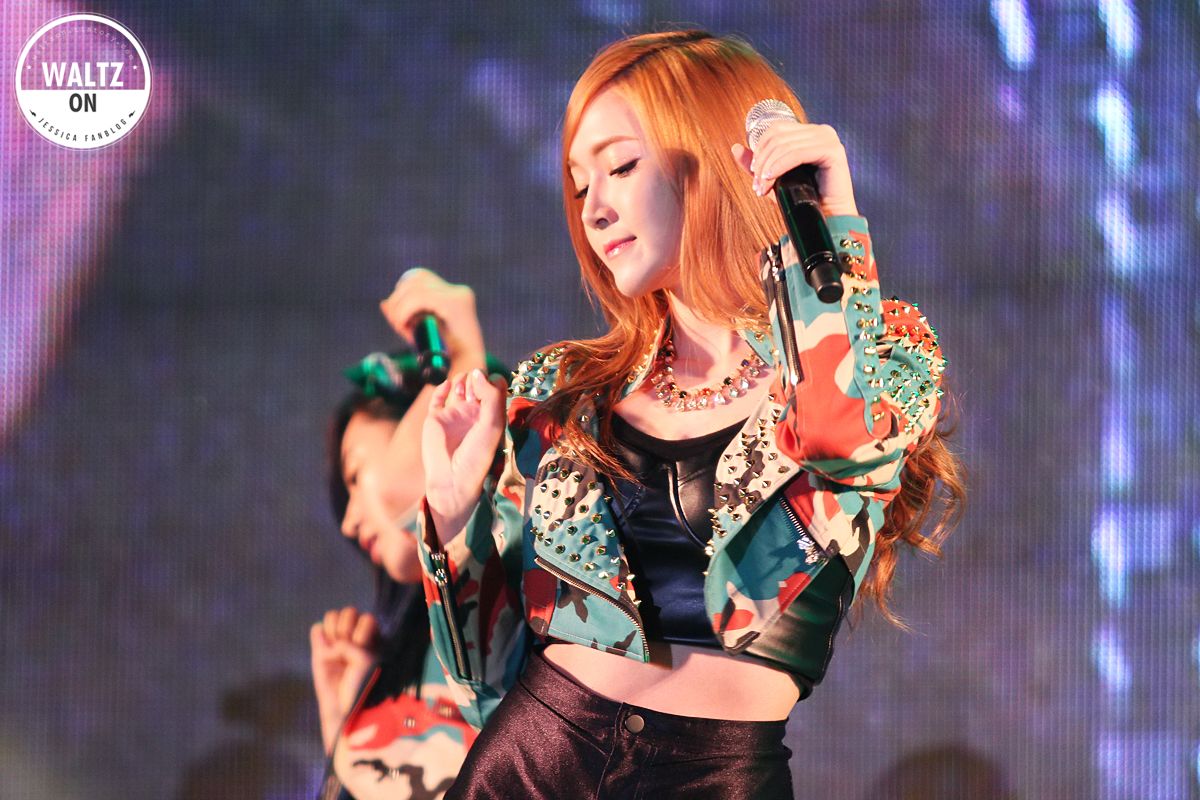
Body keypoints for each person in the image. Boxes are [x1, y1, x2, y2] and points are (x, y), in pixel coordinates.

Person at [417, 30, 965, 799]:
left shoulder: (884, 355)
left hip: (717, 776)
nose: (593, 209)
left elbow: (839, 439)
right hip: (533, 764)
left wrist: (831, 224)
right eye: (578, 185)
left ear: (715, 160)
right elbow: (484, 672)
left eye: (620, 166)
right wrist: (453, 517)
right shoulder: (561, 394)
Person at [310, 270, 507, 800]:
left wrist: (461, 358)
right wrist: (344, 720)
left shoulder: (520, 592)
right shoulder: (416, 648)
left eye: (356, 477)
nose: (349, 522)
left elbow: (403, 488)